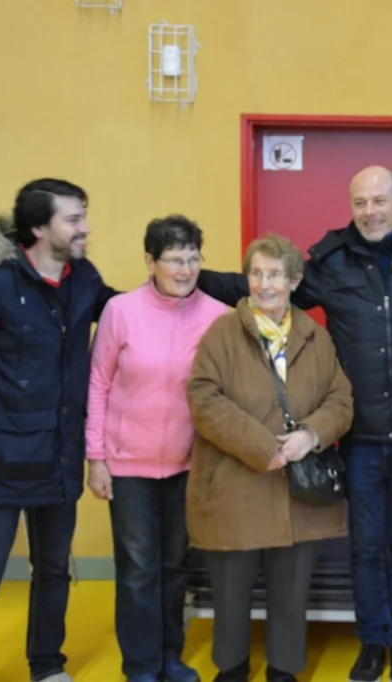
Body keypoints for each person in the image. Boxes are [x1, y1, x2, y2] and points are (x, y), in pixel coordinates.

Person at [198, 166, 392, 682]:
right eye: (360, 202)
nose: (370, 211)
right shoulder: (331, 261)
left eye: (379, 200)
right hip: (359, 436)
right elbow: (266, 284)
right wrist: (188, 278)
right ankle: (372, 642)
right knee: (365, 547)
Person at [0, 178, 118, 682]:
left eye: (83, 216)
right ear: (38, 227)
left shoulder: (82, 277)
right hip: (3, 459)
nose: (86, 228)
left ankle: (47, 665)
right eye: (73, 219)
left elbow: (126, 312)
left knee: (53, 569)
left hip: (59, 453)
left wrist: (192, 281)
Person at [185, 234, 354, 682]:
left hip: (297, 494)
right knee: (230, 592)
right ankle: (231, 668)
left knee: (291, 593)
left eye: (274, 275)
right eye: (256, 273)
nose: (264, 284)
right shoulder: (221, 333)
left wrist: (310, 435)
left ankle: (284, 669)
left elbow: (341, 400)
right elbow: (203, 399)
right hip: (233, 486)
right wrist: (264, 448)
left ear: (294, 281)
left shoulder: (316, 338)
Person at [85, 215, 228, 682]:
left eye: (193, 259)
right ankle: (141, 666)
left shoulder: (217, 315)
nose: (185, 270)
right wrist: (96, 458)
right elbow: (98, 384)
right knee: (138, 569)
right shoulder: (120, 311)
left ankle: (170, 656)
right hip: (128, 466)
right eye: (174, 260)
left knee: (174, 566)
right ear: (150, 262)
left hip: (189, 465)